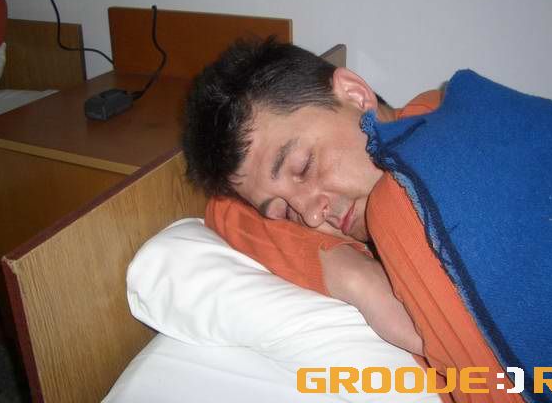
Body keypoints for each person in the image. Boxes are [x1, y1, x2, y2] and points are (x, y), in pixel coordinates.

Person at [183, 37, 441, 355]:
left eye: (303, 167)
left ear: (356, 95)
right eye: (285, 211)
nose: (313, 216)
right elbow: (225, 211)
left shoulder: (457, 150)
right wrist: (353, 275)